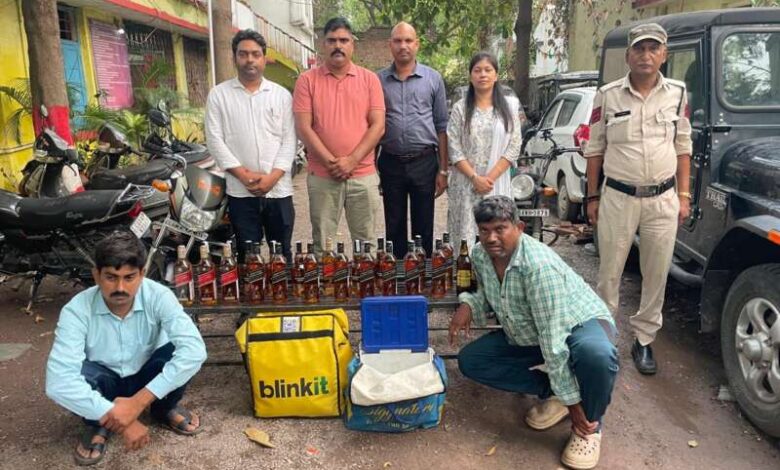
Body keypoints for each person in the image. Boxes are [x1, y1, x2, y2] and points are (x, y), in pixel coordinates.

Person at [450, 196, 618, 470]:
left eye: (500, 229)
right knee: (472, 360)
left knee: (596, 356)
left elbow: (553, 339)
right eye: (484, 230)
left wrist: (575, 407)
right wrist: (469, 304)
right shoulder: (480, 254)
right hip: (531, 329)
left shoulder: (538, 267)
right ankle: (559, 392)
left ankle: (589, 425)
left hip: (579, 323)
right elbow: (487, 292)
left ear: (519, 227)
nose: (491, 238)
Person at [584, 23, 692, 375]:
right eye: (639, 49)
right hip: (618, 196)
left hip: (662, 198)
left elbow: (683, 147)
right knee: (609, 272)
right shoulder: (608, 95)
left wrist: (684, 195)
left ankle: (644, 339)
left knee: (656, 272)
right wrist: (592, 197)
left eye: (653, 48)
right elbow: (595, 149)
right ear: (628, 55)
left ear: (664, 54)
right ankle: (605, 338)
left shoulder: (677, 94)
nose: (646, 55)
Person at [45, 231, 207, 466]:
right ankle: (99, 423)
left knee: (178, 351)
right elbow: (58, 382)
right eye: (111, 277)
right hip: (104, 381)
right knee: (80, 373)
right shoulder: (76, 310)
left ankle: (163, 408)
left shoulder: (159, 295)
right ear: (96, 275)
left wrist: (138, 402)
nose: (120, 287)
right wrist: (124, 421)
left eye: (129, 277)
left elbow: (195, 350)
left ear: (142, 274)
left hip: (147, 374)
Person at [293, 17, 385, 253]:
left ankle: (365, 279)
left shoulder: (370, 80)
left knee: (366, 244)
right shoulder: (307, 81)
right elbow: (304, 127)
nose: (338, 46)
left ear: (352, 44)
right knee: (324, 245)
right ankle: (328, 280)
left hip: (363, 175)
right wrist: (332, 163)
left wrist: (352, 160)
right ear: (323, 44)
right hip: (323, 176)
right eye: (332, 40)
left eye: (344, 40)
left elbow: (378, 126)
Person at [206, 29, 296, 260]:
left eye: (256, 54)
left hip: (278, 190)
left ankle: (282, 285)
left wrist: (272, 177)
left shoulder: (281, 95)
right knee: (248, 256)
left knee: (282, 254)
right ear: (234, 58)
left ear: (264, 58)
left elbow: (290, 140)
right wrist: (244, 175)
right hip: (240, 191)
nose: (250, 60)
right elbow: (214, 140)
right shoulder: (219, 95)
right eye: (243, 54)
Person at [377, 22, 449, 258]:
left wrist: (443, 170)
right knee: (394, 225)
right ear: (390, 45)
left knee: (424, 225)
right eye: (398, 41)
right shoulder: (378, 81)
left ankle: (423, 273)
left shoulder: (433, 79)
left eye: (408, 40)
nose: (403, 46)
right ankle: (397, 273)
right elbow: (373, 125)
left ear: (417, 44)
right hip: (391, 162)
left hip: (424, 162)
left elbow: (442, 126)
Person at [447, 52, 522, 251]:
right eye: (477, 70)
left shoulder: (508, 109)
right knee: (465, 240)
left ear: (496, 75)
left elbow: (514, 146)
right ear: (471, 76)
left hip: (495, 183)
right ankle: (465, 271)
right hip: (465, 184)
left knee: (497, 237)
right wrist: (475, 178)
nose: (483, 75)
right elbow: (454, 147)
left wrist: (489, 179)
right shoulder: (460, 109)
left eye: (488, 70)